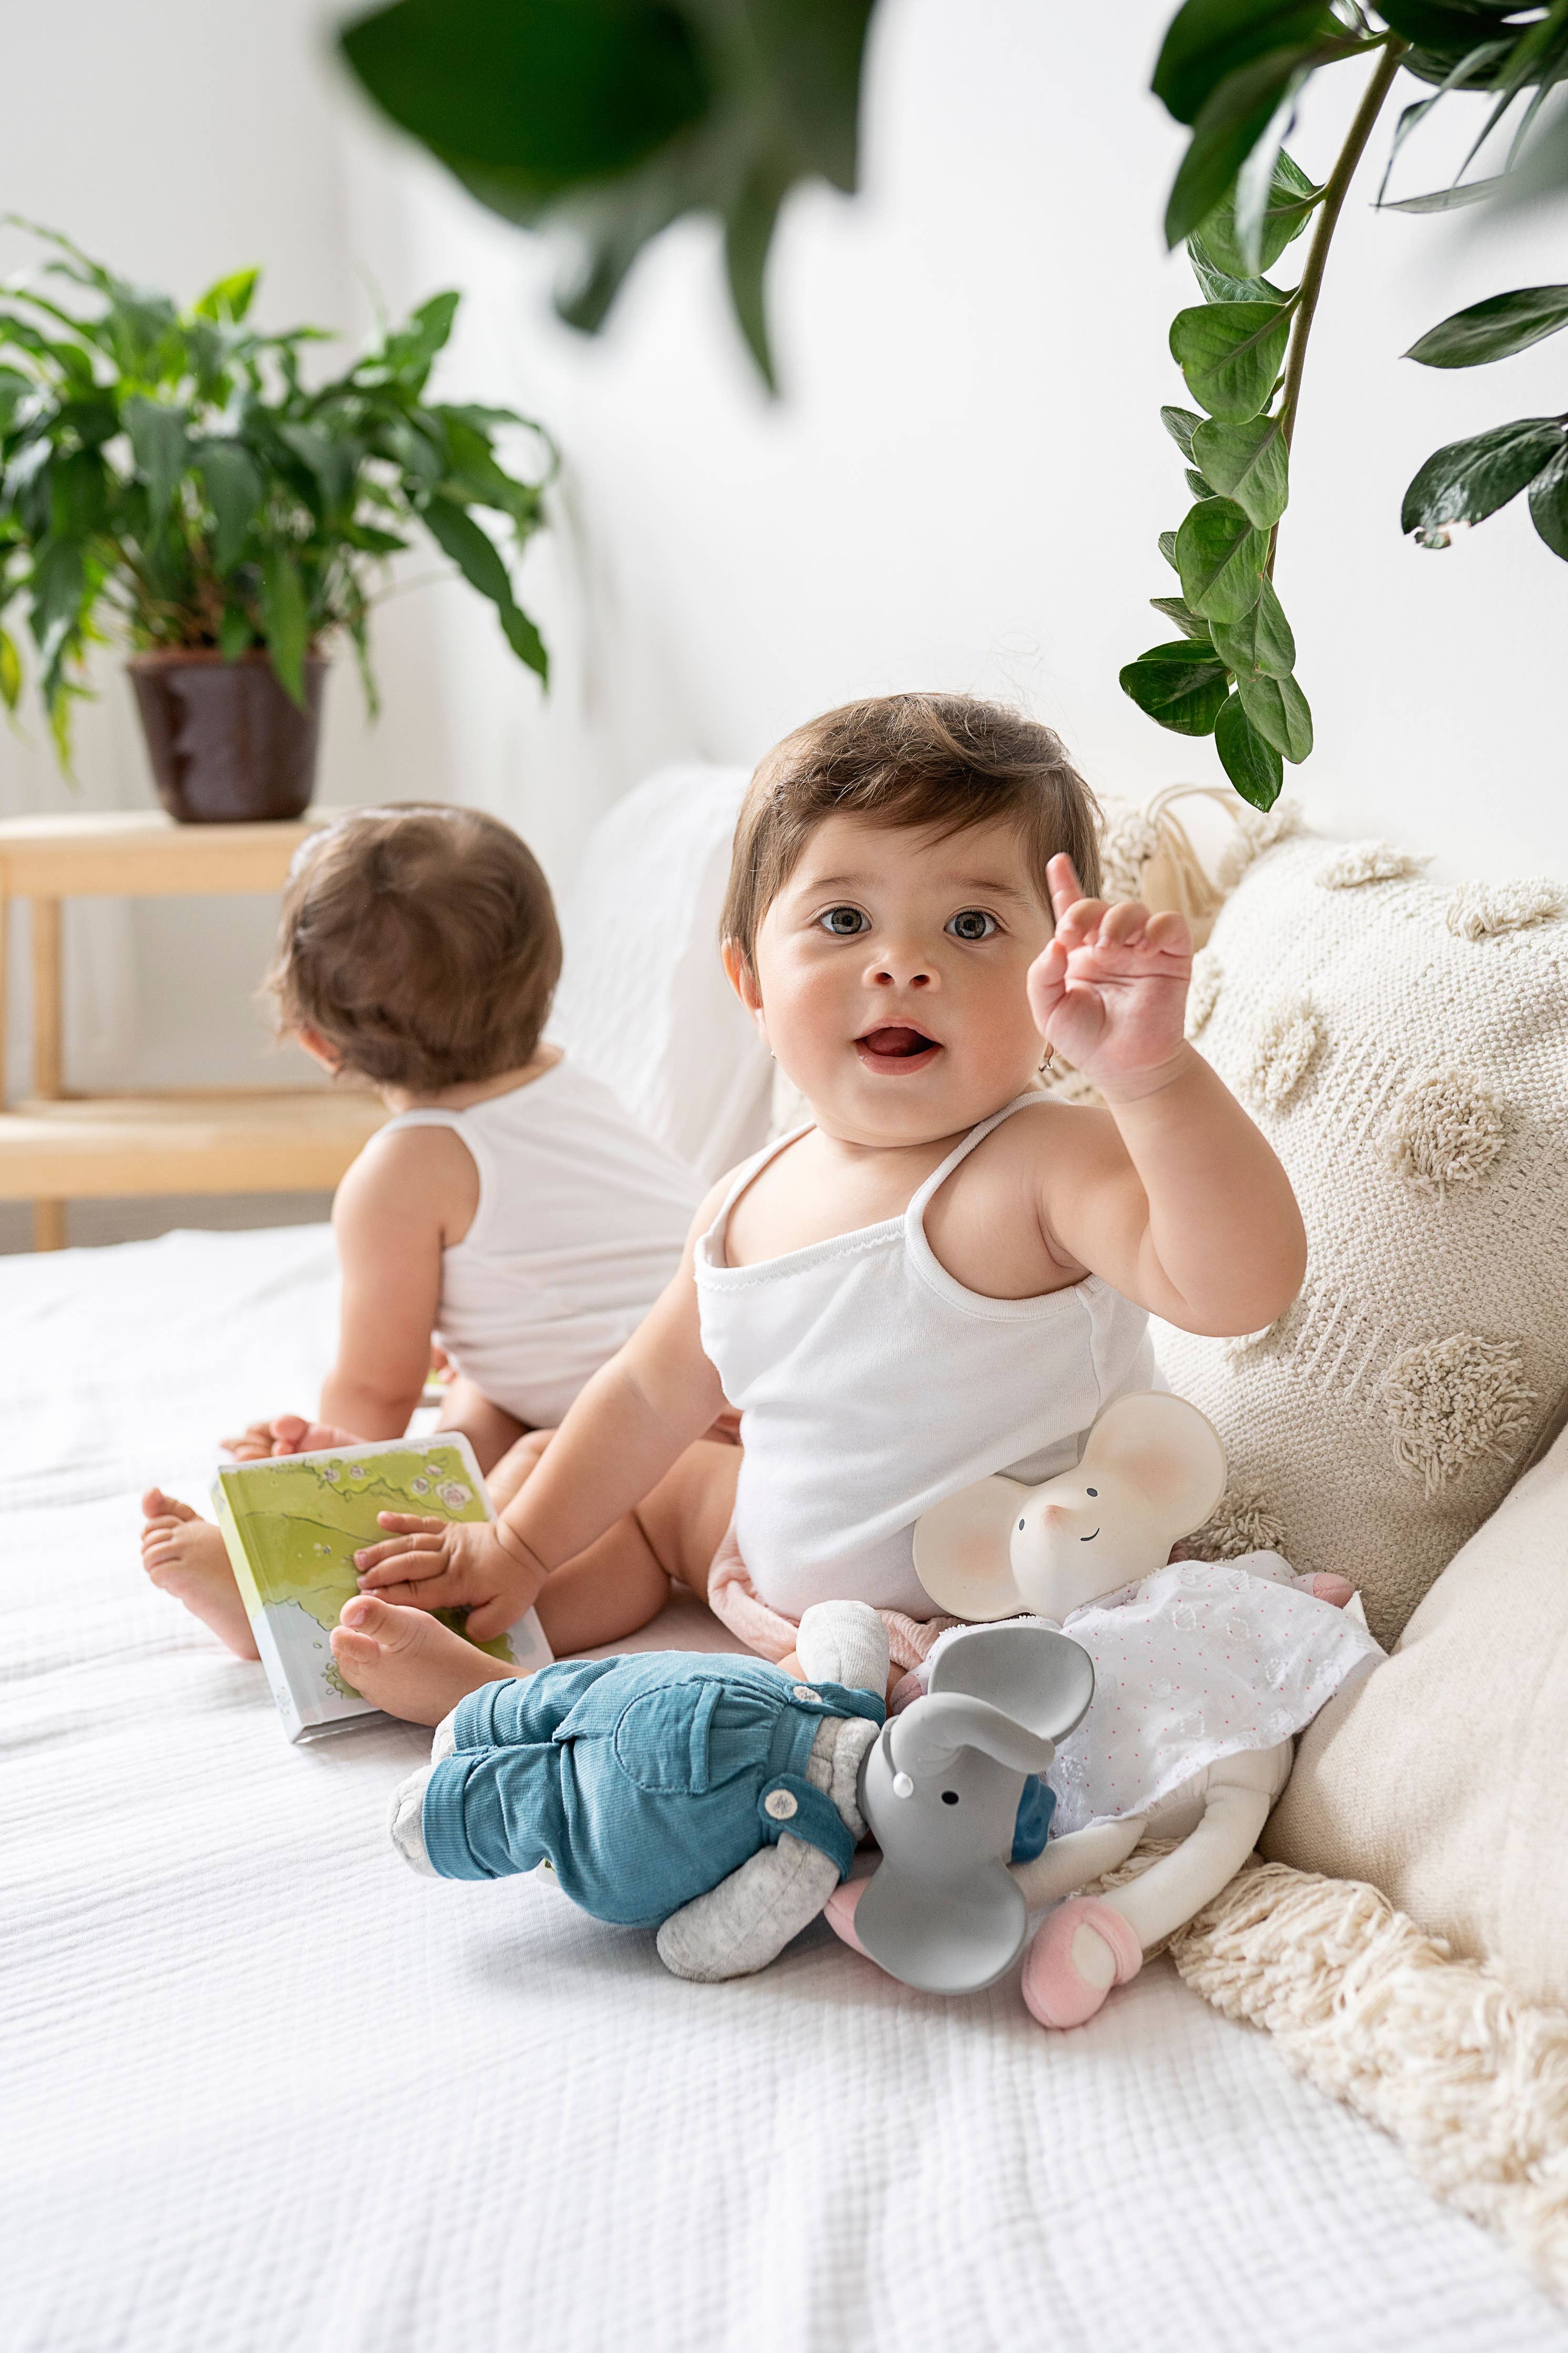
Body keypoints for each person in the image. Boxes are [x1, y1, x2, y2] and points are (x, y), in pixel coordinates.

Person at [329, 693, 1308, 1726]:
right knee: (585, 1481)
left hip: (985, 1632)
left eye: (972, 924)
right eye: (844, 921)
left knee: (757, 1726)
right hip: (785, 1592)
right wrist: (520, 1545)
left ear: (1048, 971)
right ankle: (493, 1610)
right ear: (749, 983)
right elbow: (644, 1397)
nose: (903, 963)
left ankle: (511, 1707)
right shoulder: (745, 1198)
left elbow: (1238, 1287)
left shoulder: (1044, 1162)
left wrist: (1153, 1078)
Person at [139, 802, 702, 1660]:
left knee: (550, 1503)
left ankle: (306, 1605)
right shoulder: (566, 1081)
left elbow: (374, 1388)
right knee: (472, 1421)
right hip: (708, 1382)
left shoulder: (400, 1174)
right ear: (543, 977)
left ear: (319, 1042)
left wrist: (319, 1479)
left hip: (650, 1436)